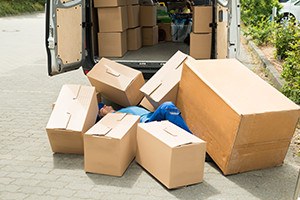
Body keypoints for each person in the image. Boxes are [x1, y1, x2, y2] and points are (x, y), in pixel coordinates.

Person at [97, 101, 192, 134]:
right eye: (102, 108)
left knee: (171, 110)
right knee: (167, 106)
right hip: (146, 123)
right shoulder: (114, 117)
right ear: (102, 116)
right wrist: (109, 115)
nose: (105, 105)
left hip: (152, 116)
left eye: (104, 104)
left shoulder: (122, 109)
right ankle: (191, 140)